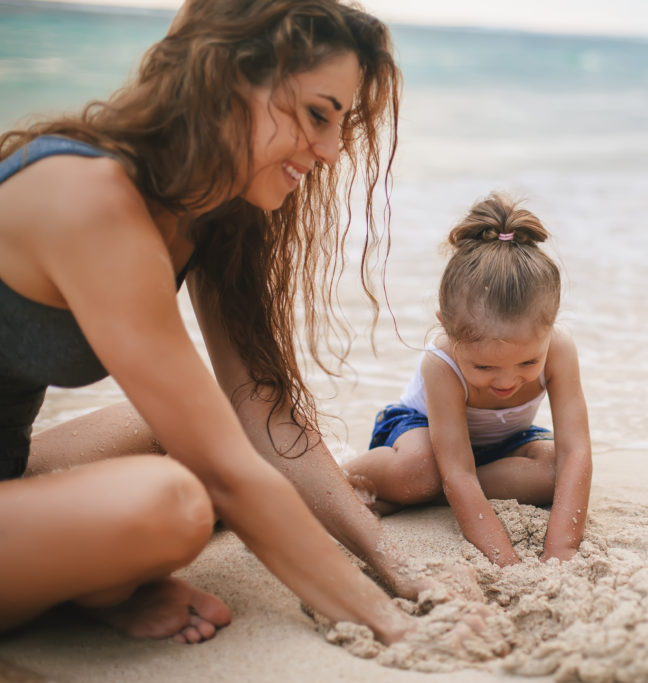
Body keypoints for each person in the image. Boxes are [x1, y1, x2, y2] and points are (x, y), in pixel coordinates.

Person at [0, 0, 486, 647]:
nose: (333, 150)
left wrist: (396, 566)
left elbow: (261, 409)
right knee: (172, 501)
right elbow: (233, 473)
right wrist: (390, 623)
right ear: (229, 78)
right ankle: (85, 585)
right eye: (317, 114)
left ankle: (77, 580)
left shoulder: (203, 211)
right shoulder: (88, 197)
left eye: (341, 123)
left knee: (205, 430)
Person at [344, 193, 593, 567]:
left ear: (551, 326)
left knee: (554, 470)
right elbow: (457, 469)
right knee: (421, 473)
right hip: (422, 434)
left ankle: (435, 495)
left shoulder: (559, 349)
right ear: (446, 325)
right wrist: (502, 557)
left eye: (527, 361)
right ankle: (338, 477)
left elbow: (577, 452)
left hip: (500, 446)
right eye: (484, 368)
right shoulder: (440, 363)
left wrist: (562, 549)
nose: (506, 380)